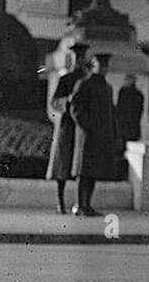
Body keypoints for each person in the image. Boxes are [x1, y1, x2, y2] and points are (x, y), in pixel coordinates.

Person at [69, 52, 120, 216]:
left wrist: (113, 133)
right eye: (100, 64)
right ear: (93, 65)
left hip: (101, 136)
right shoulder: (84, 84)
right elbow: (76, 109)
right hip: (87, 136)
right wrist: (89, 126)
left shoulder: (107, 87)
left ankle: (87, 204)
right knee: (83, 172)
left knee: (93, 172)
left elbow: (111, 112)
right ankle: (79, 204)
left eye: (106, 65)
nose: (104, 68)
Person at [44, 43, 88, 215]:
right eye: (77, 58)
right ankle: (60, 202)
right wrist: (67, 101)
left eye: (82, 59)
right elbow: (54, 102)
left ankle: (80, 203)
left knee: (81, 165)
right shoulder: (66, 79)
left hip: (82, 125)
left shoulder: (88, 80)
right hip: (67, 125)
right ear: (72, 59)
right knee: (62, 166)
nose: (79, 62)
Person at [115, 74, 144, 148]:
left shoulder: (137, 95)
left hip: (130, 125)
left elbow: (139, 111)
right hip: (124, 124)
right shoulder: (123, 92)